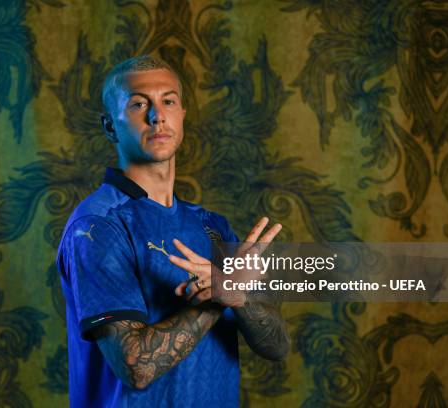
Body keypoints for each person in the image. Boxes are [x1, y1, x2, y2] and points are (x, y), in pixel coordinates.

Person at [56, 55, 290, 407]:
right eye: (138, 104)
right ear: (109, 126)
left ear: (182, 114)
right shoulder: (97, 226)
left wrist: (239, 297)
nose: (157, 115)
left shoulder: (211, 225)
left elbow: (276, 345)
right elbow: (136, 367)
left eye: (168, 101)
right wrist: (219, 296)